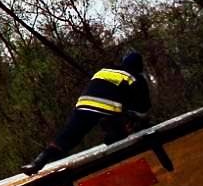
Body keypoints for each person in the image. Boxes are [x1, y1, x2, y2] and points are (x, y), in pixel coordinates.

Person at [22, 49, 152, 174]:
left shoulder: (104, 71)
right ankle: (114, 140)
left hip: (84, 105)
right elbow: (143, 107)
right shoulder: (136, 78)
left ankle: (38, 162)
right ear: (139, 67)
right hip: (108, 109)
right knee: (124, 123)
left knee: (67, 137)